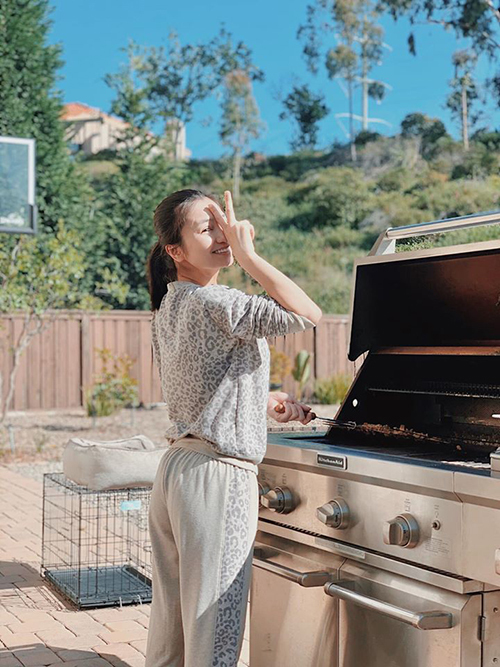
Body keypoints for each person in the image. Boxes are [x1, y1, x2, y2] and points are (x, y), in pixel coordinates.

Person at [144, 188, 322, 667]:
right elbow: (307, 314)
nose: (223, 236)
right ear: (176, 250)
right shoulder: (217, 301)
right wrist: (249, 257)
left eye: (224, 226)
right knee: (215, 637)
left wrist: (261, 401)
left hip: (177, 472)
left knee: (172, 635)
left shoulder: (170, 305)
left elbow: (199, 381)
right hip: (217, 480)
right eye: (209, 229)